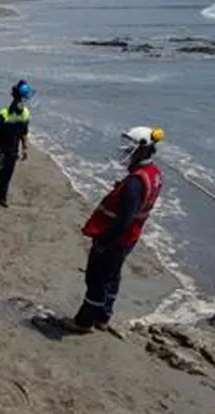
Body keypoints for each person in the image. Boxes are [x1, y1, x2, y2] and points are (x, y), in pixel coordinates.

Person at [63, 127, 164, 333]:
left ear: (142, 150)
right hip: (129, 238)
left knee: (97, 278)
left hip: (115, 239)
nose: (126, 151)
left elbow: (123, 220)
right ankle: (103, 316)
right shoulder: (153, 174)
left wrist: (104, 241)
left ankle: (84, 321)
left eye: (131, 147)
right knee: (112, 276)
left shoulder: (135, 183)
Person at [0, 80, 33, 207]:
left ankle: (2, 198)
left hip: (13, 149)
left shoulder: (24, 113)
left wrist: (24, 148)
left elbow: (24, 132)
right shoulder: (4, 114)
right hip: (3, 148)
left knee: (7, 174)